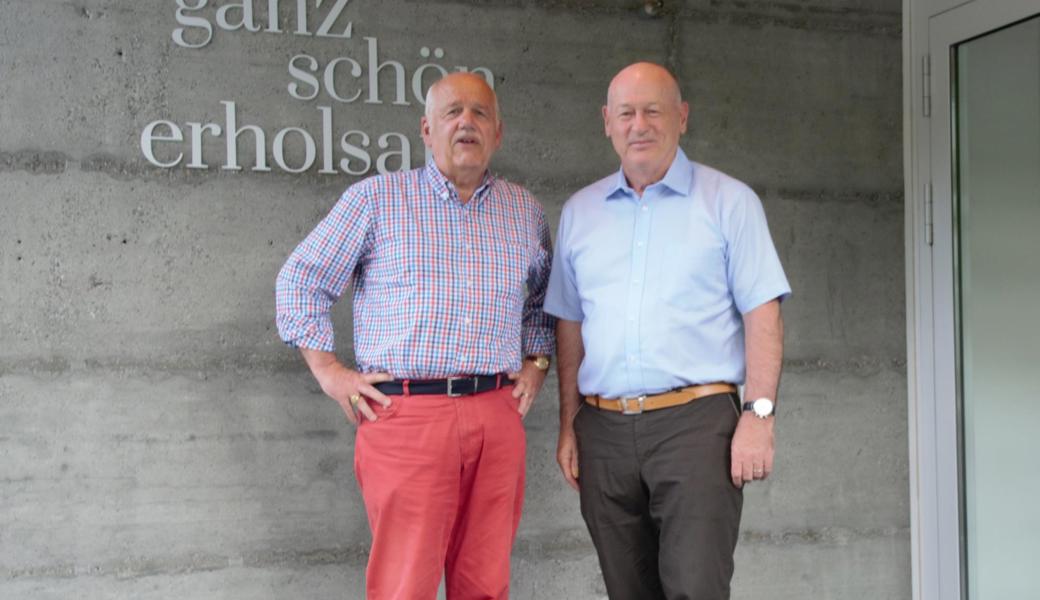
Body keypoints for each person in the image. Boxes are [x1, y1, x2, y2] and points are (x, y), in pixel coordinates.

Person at [275, 72, 554, 600]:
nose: (466, 122)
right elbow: (300, 281)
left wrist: (537, 363)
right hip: (406, 416)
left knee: (486, 582)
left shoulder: (525, 211)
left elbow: (543, 298)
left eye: (479, 113)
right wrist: (331, 373)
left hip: (497, 412)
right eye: (452, 112)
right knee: (405, 585)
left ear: (499, 131)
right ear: (426, 129)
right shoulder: (376, 200)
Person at [544, 62, 790, 599]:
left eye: (653, 110)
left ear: (682, 117)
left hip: (696, 427)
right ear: (606, 122)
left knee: (695, 590)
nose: (640, 125)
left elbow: (763, 314)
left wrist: (759, 414)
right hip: (603, 430)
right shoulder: (580, 213)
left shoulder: (730, 202)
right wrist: (570, 425)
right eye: (627, 113)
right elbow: (569, 325)